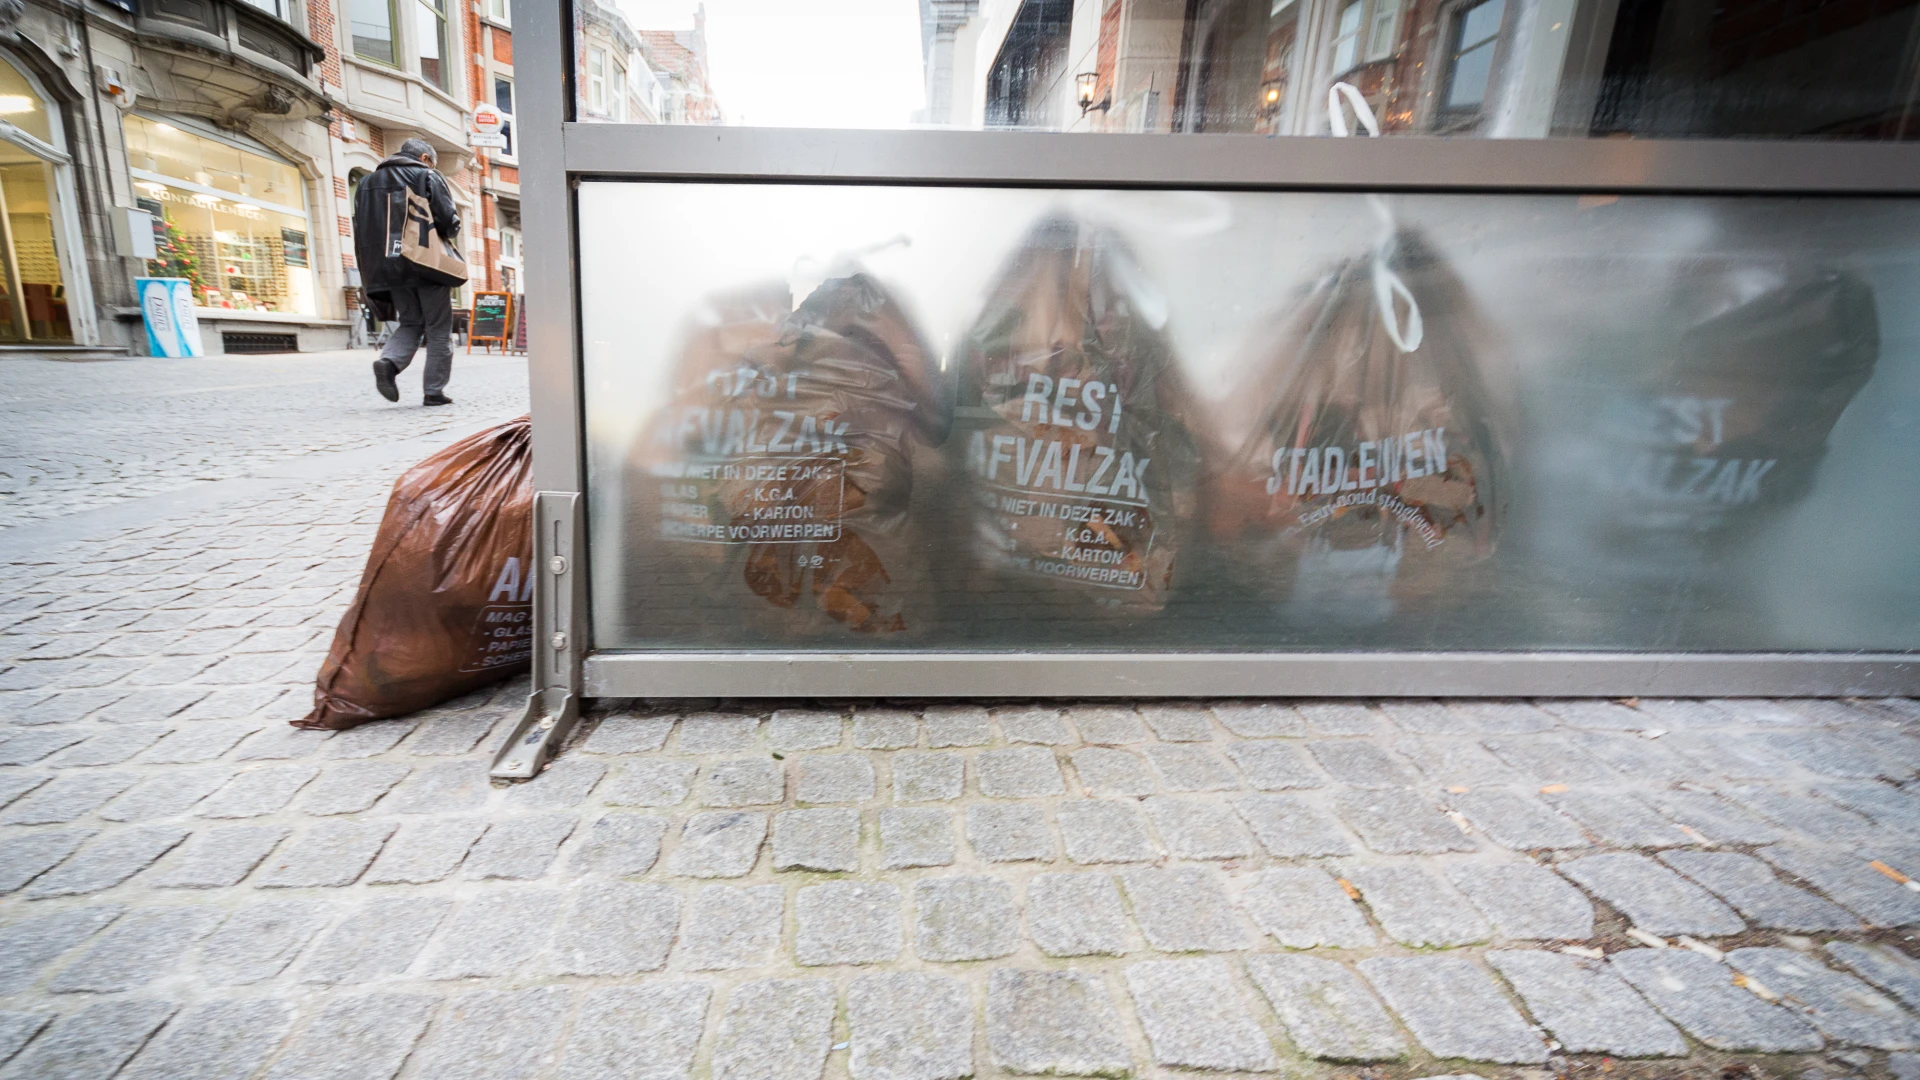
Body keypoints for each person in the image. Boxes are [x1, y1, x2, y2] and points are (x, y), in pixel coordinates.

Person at [352, 137, 462, 406]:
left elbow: (360, 228)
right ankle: (433, 391)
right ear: (425, 158)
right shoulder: (426, 175)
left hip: (386, 267)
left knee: (411, 321)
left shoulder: (365, 183)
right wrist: (451, 233)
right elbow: (447, 220)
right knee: (438, 327)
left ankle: (388, 363)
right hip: (424, 262)